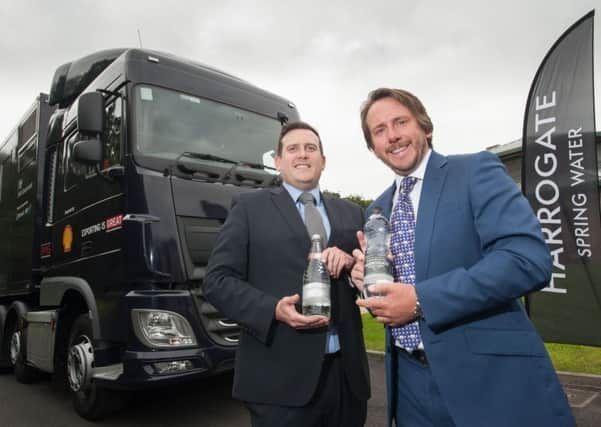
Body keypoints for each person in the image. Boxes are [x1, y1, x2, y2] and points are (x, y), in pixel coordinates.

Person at [352, 88, 575, 427]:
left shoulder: (474, 171)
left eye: (400, 122)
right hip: (409, 386)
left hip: (489, 381)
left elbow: (527, 258)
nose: (393, 135)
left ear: (425, 127)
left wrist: (420, 300)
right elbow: (399, 285)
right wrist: (367, 282)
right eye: (379, 130)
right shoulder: (377, 209)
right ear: (372, 147)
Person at [203, 121, 370, 427]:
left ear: (323, 160)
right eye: (292, 148)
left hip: (347, 380)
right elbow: (217, 281)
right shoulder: (248, 208)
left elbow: (367, 283)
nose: (302, 155)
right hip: (279, 383)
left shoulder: (352, 213)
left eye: (311, 148)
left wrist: (352, 268)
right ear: (278, 162)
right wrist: (273, 310)